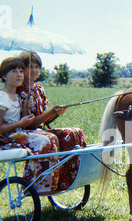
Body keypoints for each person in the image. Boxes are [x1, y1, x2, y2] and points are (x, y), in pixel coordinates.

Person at [0, 57, 62, 195]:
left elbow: (24, 120)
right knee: (45, 140)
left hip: (17, 135)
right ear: (4, 76)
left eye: (21, 71)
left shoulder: (15, 96)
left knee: (52, 138)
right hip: (5, 139)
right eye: (14, 71)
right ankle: (33, 183)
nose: (19, 74)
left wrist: (25, 109)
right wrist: (20, 123)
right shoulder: (1, 97)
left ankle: (46, 183)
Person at [17, 51, 87, 191]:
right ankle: (45, 183)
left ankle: (66, 179)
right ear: (22, 70)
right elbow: (31, 124)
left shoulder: (39, 89)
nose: (35, 70)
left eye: (37, 67)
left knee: (74, 134)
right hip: (27, 132)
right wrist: (51, 112)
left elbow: (43, 119)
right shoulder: (19, 90)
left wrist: (56, 113)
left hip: (39, 129)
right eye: (31, 67)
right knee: (53, 138)